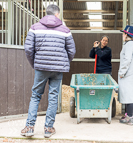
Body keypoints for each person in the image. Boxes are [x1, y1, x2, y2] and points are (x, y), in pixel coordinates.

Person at [21, 4, 76, 138]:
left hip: (41, 68)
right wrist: (63, 62)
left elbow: (28, 49)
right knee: (53, 98)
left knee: (35, 96)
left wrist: (35, 63)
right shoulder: (65, 30)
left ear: (46, 13)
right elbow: (72, 50)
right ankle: (48, 129)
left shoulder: (35, 28)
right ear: (57, 14)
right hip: (57, 69)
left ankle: (29, 127)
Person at [118, 25, 133, 125]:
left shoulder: (129, 45)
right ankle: (132, 115)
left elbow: (127, 60)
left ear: (127, 35)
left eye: (123, 33)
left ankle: (129, 117)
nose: (122, 35)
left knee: (129, 95)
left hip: (128, 74)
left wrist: (122, 72)